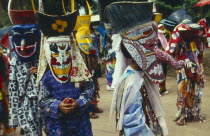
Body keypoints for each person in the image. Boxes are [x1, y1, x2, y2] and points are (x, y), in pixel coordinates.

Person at [106, 2, 185, 136]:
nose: (156, 52)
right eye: (150, 46)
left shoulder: (141, 75)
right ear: (135, 50)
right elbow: (134, 126)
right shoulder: (132, 83)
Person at [36, 4, 94, 135]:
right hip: (58, 126)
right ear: (47, 53)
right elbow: (42, 101)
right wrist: (57, 105)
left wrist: (79, 102)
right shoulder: (46, 77)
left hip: (81, 123)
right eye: (56, 53)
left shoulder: (80, 73)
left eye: (66, 52)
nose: (62, 58)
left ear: (71, 50)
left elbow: (90, 90)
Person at [167, 9, 207, 126]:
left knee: (195, 92)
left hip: (196, 69)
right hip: (183, 69)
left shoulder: (197, 39)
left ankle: (194, 113)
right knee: (183, 92)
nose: (189, 33)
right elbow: (171, 52)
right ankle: (183, 115)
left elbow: (201, 52)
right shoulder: (179, 39)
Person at [8, 1, 42, 135]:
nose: (22, 46)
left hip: (48, 102)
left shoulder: (44, 55)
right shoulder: (15, 61)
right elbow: (13, 88)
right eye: (18, 39)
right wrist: (15, 116)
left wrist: (43, 71)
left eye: (28, 37)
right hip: (27, 103)